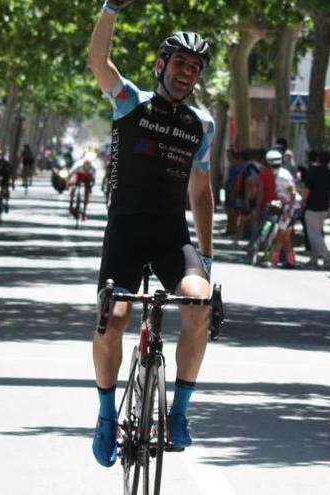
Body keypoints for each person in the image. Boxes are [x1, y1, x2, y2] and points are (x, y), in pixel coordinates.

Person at [88, 1, 215, 467]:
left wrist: (209, 253)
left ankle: (178, 413)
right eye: (180, 63)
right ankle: (105, 417)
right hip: (125, 230)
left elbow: (201, 194)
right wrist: (111, 9)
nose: (187, 72)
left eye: (195, 68)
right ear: (162, 64)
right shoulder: (130, 102)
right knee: (114, 317)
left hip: (170, 236)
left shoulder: (202, 125)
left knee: (200, 305)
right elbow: (98, 62)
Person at [301, 149, 330, 269]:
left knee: (314, 235)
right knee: (317, 232)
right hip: (324, 208)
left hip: (312, 207)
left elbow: (306, 190)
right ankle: (314, 259)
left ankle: (327, 257)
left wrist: (302, 203)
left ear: (317, 159)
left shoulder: (313, 173)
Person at [265, 149, 300, 269]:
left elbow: (293, 192)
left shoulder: (282, 176)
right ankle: (291, 262)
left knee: (280, 235)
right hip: (289, 207)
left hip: (291, 208)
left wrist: (289, 211)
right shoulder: (280, 174)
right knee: (286, 238)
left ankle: (274, 261)